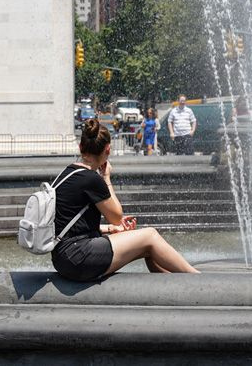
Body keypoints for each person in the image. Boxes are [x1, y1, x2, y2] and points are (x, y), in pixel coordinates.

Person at [51, 119, 199, 282]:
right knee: (150, 235)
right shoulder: (91, 178)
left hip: (62, 258)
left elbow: (70, 225)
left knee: (147, 249)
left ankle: (173, 286)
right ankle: (199, 279)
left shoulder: (67, 173)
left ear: (81, 147)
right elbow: (116, 216)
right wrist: (106, 177)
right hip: (79, 257)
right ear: (107, 149)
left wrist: (110, 229)